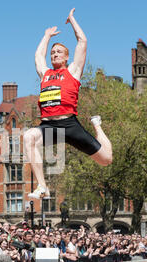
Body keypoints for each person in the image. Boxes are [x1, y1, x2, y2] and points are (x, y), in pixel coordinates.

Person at [24, 8, 113, 199]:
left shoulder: (73, 70)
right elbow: (38, 56)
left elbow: (83, 41)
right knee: (28, 137)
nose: (54, 54)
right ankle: (42, 186)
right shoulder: (45, 74)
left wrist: (72, 20)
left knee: (106, 160)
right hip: (49, 125)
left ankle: (97, 126)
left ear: (66, 57)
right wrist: (46, 36)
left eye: (59, 52)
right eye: (53, 52)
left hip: (70, 124)